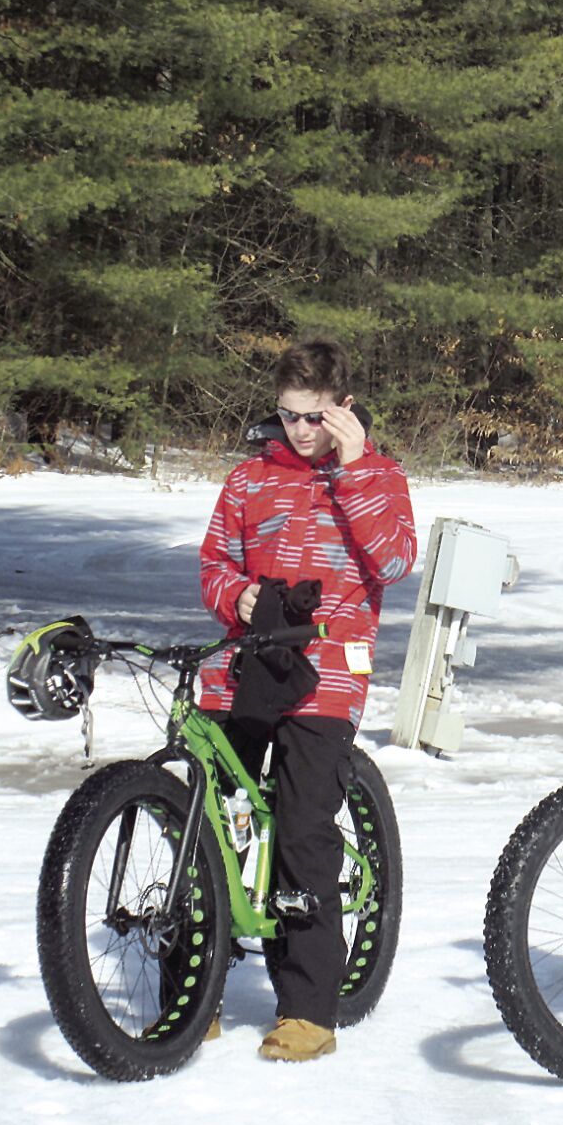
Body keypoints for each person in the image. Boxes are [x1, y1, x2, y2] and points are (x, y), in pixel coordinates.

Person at [199, 338, 416, 1062]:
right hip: (248, 665)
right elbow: (213, 564)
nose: (298, 430)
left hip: (327, 672)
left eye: (314, 416)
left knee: (300, 825)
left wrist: (353, 469)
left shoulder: (380, 475)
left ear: (344, 409)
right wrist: (238, 595)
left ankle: (308, 1007)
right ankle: (193, 988)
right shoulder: (248, 479)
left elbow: (394, 560)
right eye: (288, 415)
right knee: (206, 821)